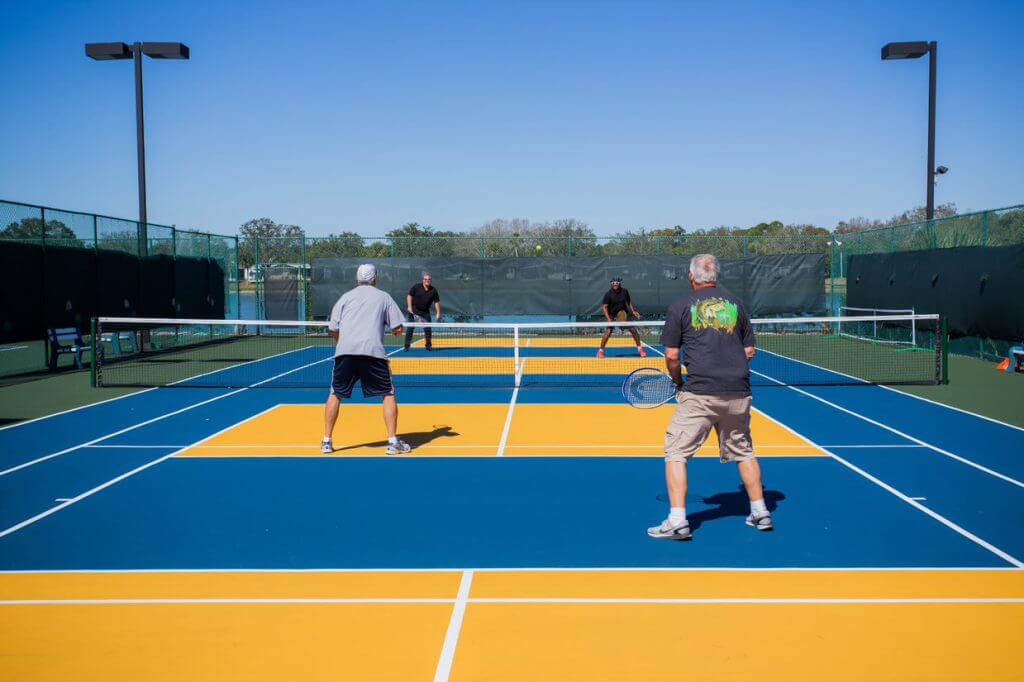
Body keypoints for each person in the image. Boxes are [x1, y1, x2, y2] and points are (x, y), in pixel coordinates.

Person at [648, 254, 771, 541]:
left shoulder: (679, 306)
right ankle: (761, 511)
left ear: (692, 277)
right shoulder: (737, 305)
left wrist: (678, 381)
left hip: (700, 391)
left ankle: (678, 521)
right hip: (738, 391)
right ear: (716, 276)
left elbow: (671, 355)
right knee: (744, 451)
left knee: (676, 453)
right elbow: (749, 351)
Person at [322, 263, 412, 456]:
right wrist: (395, 331)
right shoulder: (384, 297)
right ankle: (392, 442)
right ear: (375, 278)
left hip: (345, 353)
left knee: (335, 393)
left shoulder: (345, 298)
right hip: (373, 353)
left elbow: (333, 328)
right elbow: (398, 328)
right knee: (387, 394)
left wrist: (343, 342)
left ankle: (327, 441)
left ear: (357, 278)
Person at [597, 277, 647, 358]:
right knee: (608, 332)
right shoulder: (608, 294)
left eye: (616, 283)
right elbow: (604, 307)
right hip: (612, 315)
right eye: (613, 284)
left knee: (633, 330)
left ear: (619, 284)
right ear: (611, 284)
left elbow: (628, 301)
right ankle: (601, 351)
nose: (615, 285)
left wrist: (633, 311)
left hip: (624, 313)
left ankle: (640, 349)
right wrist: (609, 319)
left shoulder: (624, 291)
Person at [404, 272, 442, 351]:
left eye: (429, 279)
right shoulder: (416, 287)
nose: (427, 280)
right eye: (425, 279)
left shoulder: (433, 290)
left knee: (428, 329)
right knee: (410, 329)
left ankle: (428, 346)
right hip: (413, 312)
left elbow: (437, 302)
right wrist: (409, 307)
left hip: (425, 313)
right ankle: (406, 346)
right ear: (423, 280)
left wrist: (438, 313)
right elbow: (409, 296)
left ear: (430, 280)